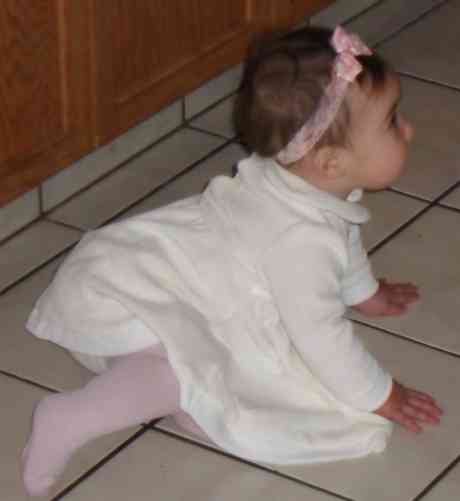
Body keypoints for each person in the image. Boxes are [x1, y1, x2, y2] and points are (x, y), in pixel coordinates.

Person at [22, 25, 442, 496]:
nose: (408, 129)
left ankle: (164, 391)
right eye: (392, 122)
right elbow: (319, 335)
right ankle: (68, 417)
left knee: (193, 373)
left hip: (152, 277)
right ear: (329, 162)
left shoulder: (299, 184)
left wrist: (363, 292)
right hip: (134, 306)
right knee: (177, 376)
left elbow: (341, 233)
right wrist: (380, 394)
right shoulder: (299, 241)